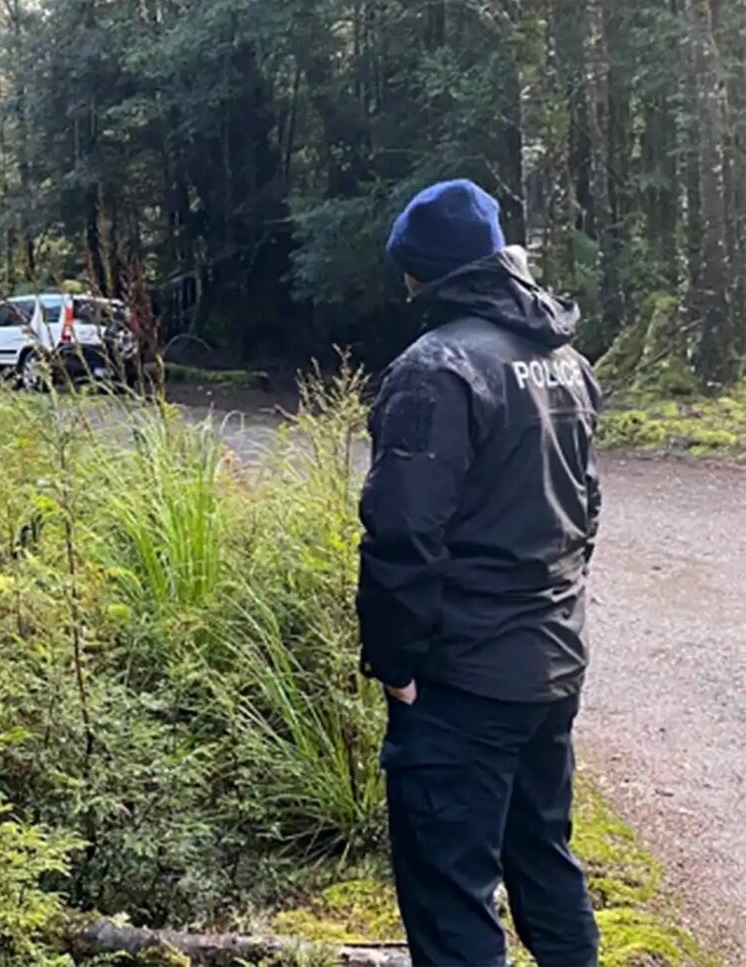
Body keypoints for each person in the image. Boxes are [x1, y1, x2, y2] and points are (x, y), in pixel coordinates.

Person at [357, 179, 603, 966]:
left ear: (422, 272)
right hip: (550, 665)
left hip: (460, 681)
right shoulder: (566, 361)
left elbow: (402, 532)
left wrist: (395, 665)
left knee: (451, 896)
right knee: (546, 861)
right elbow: (585, 511)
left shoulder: (436, 368)